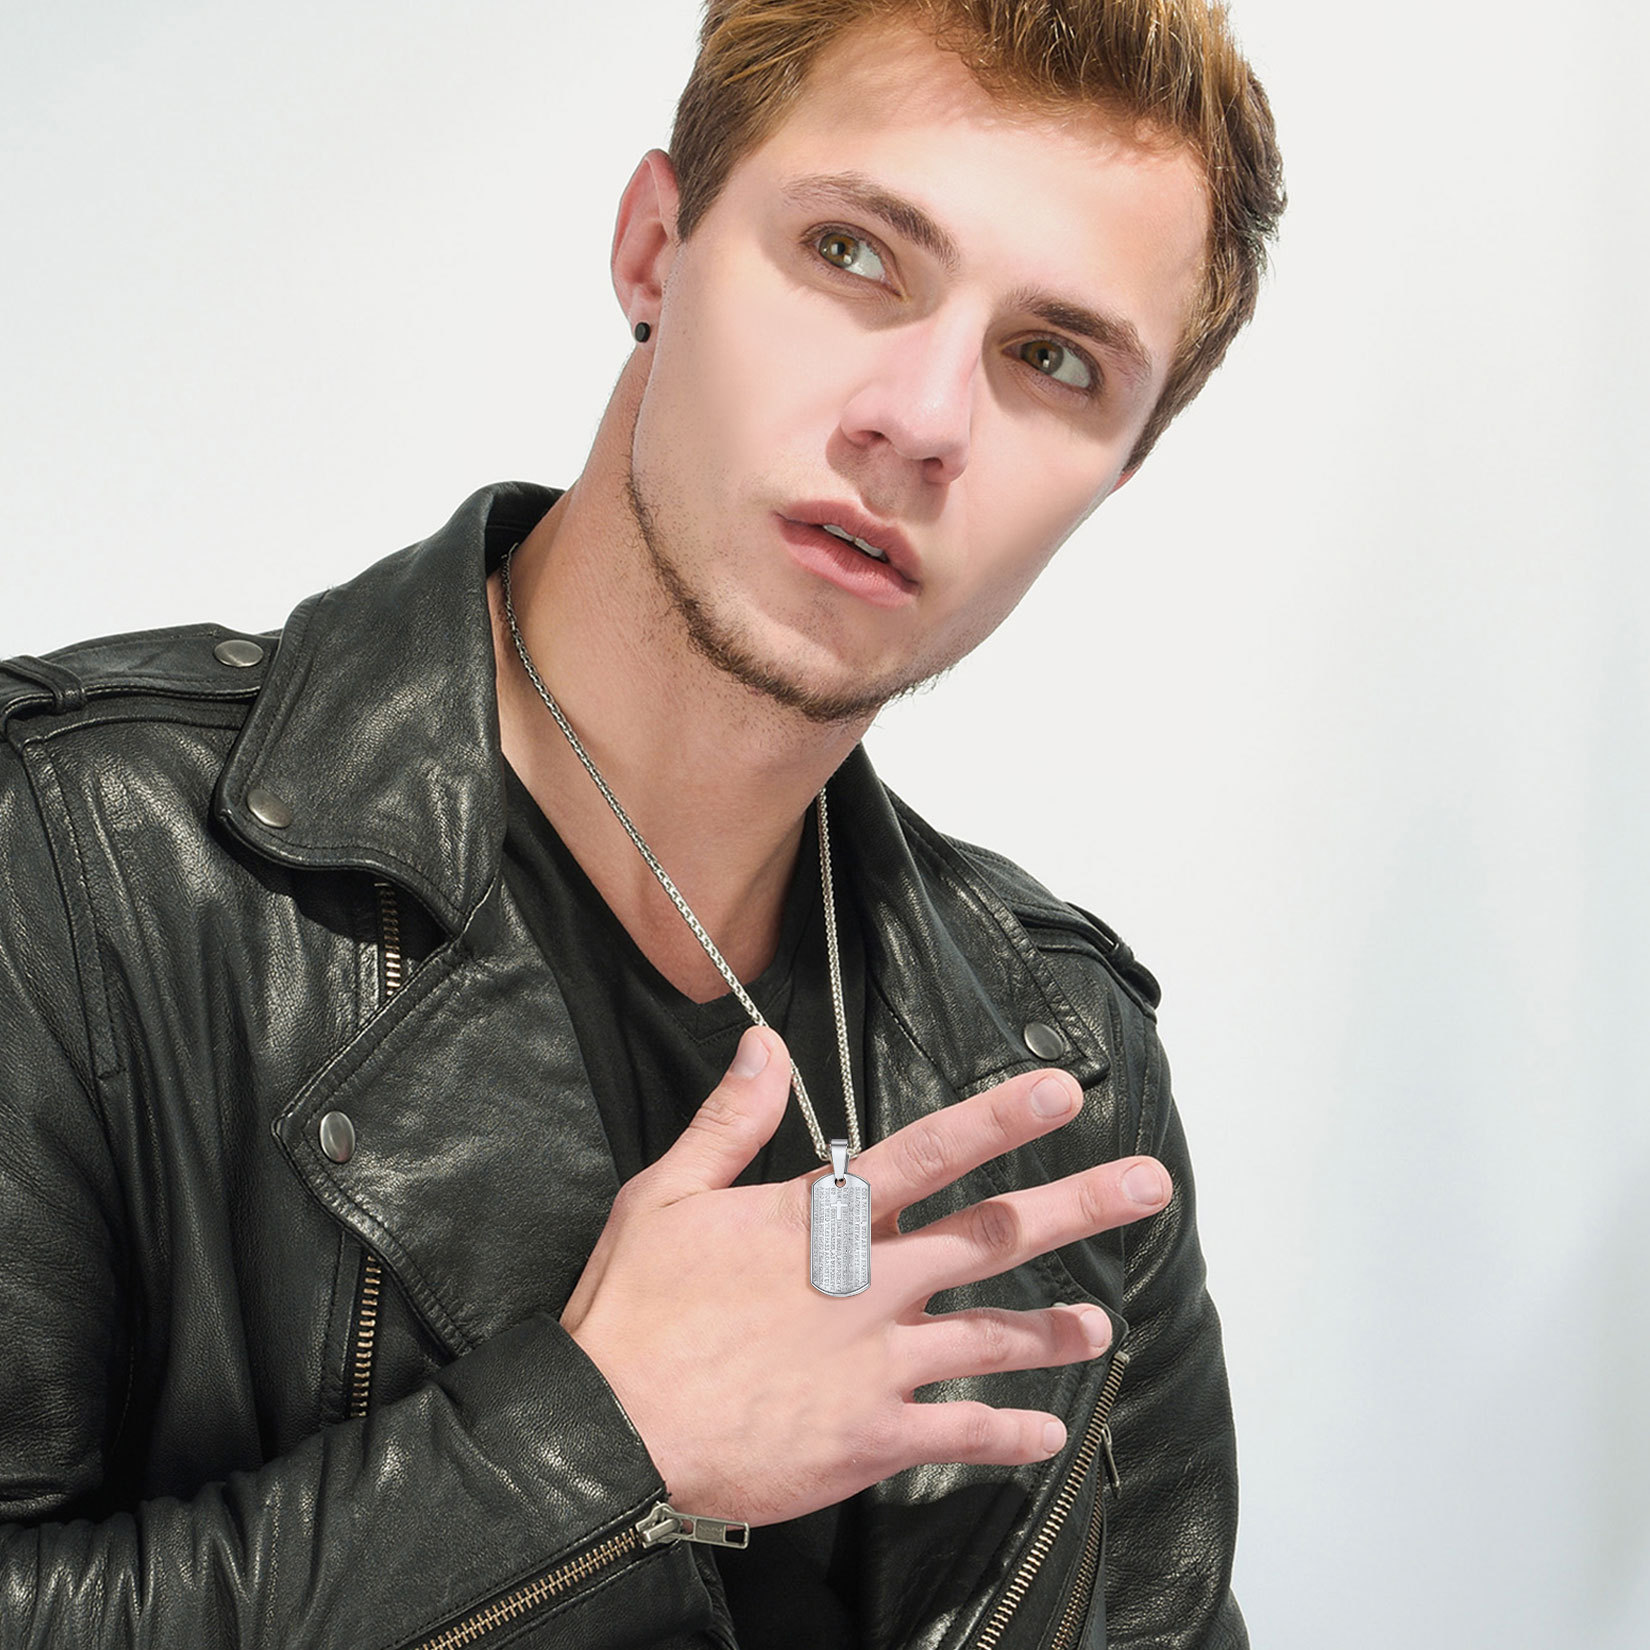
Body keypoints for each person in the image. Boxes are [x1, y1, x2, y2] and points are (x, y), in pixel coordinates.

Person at [0, 0, 1284, 1645]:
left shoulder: (1062, 1067)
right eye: (854, 253)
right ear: (655, 250)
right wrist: (589, 1445)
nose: (923, 417)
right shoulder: (80, 852)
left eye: (1052, 359)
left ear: (1114, 471)